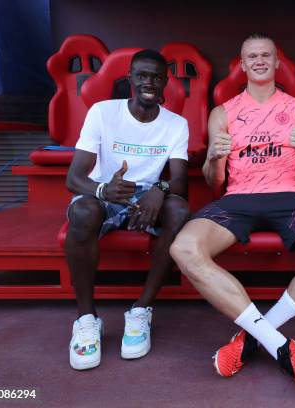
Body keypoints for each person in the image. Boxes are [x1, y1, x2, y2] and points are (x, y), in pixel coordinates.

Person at [170, 34, 295, 394]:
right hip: (238, 200)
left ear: (277, 62)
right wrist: (212, 159)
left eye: (266, 55)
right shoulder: (222, 113)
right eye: (251, 56)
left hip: (289, 198)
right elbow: (214, 182)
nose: (259, 61)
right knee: (183, 248)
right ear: (240, 65)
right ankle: (282, 347)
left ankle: (257, 335)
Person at [65, 49, 189, 370]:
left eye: (156, 76)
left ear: (165, 81)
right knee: (82, 213)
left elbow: (179, 183)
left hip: (144, 194)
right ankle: (87, 318)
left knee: (178, 209)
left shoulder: (176, 124)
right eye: (142, 75)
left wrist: (159, 191)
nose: (149, 82)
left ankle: (141, 311)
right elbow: (74, 177)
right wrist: (103, 189)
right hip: (104, 191)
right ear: (131, 79)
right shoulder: (103, 112)